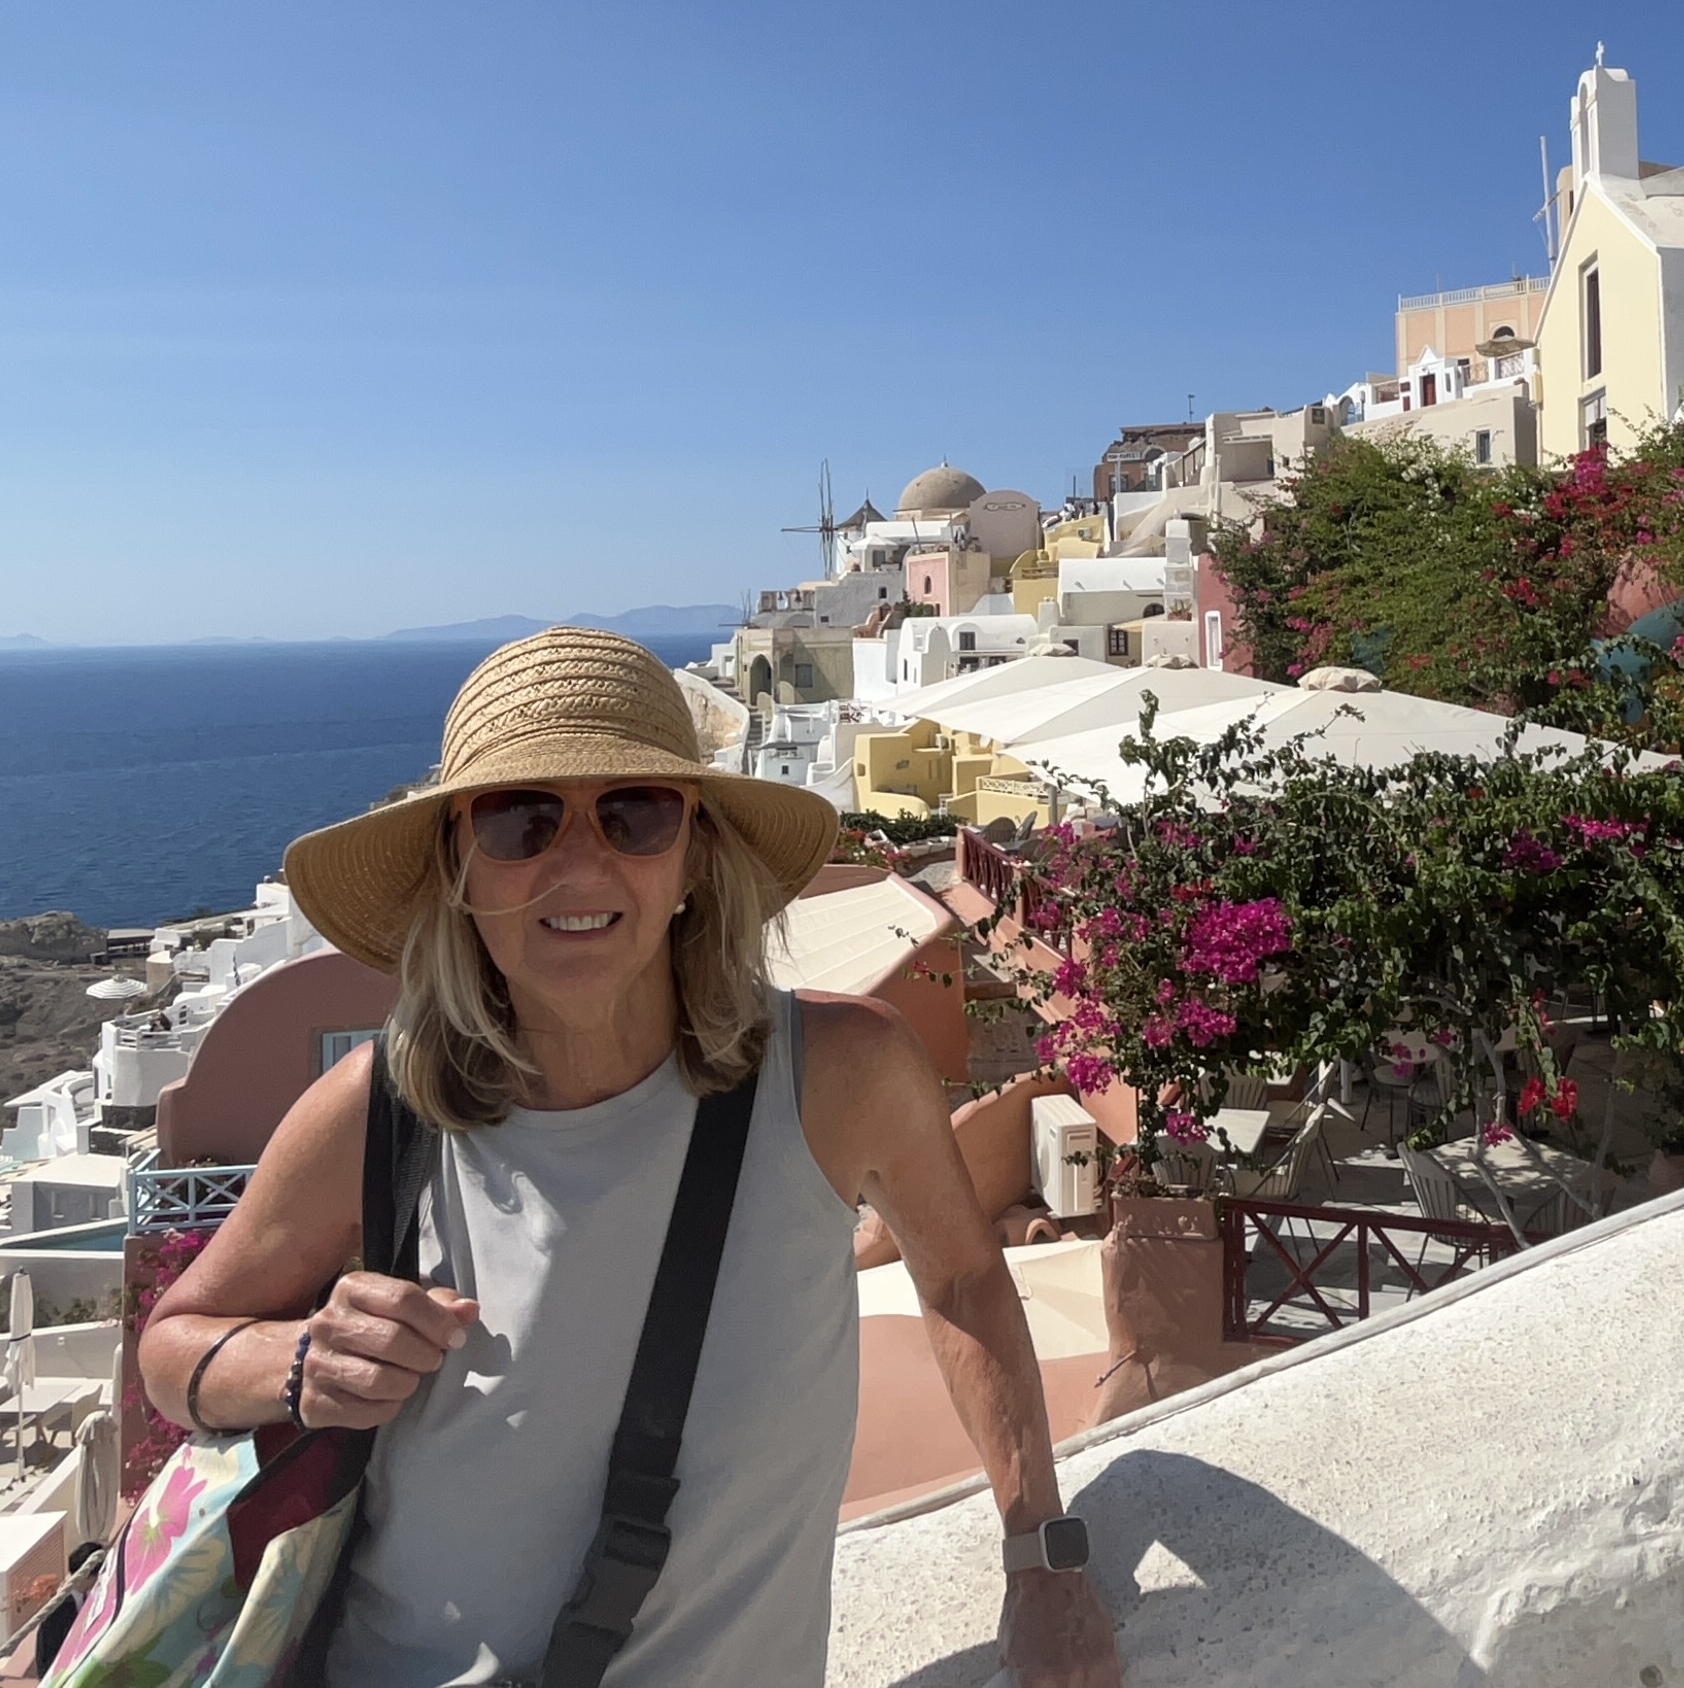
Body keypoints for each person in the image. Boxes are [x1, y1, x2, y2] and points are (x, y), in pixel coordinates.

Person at [138, 628, 1122, 1686]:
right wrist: (298, 1366)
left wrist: (1040, 1557)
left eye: (634, 812)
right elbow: (172, 1349)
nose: (581, 861)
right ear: (461, 867)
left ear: (693, 855)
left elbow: (967, 1280)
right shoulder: (378, 1112)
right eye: (523, 819)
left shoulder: (837, 1075)